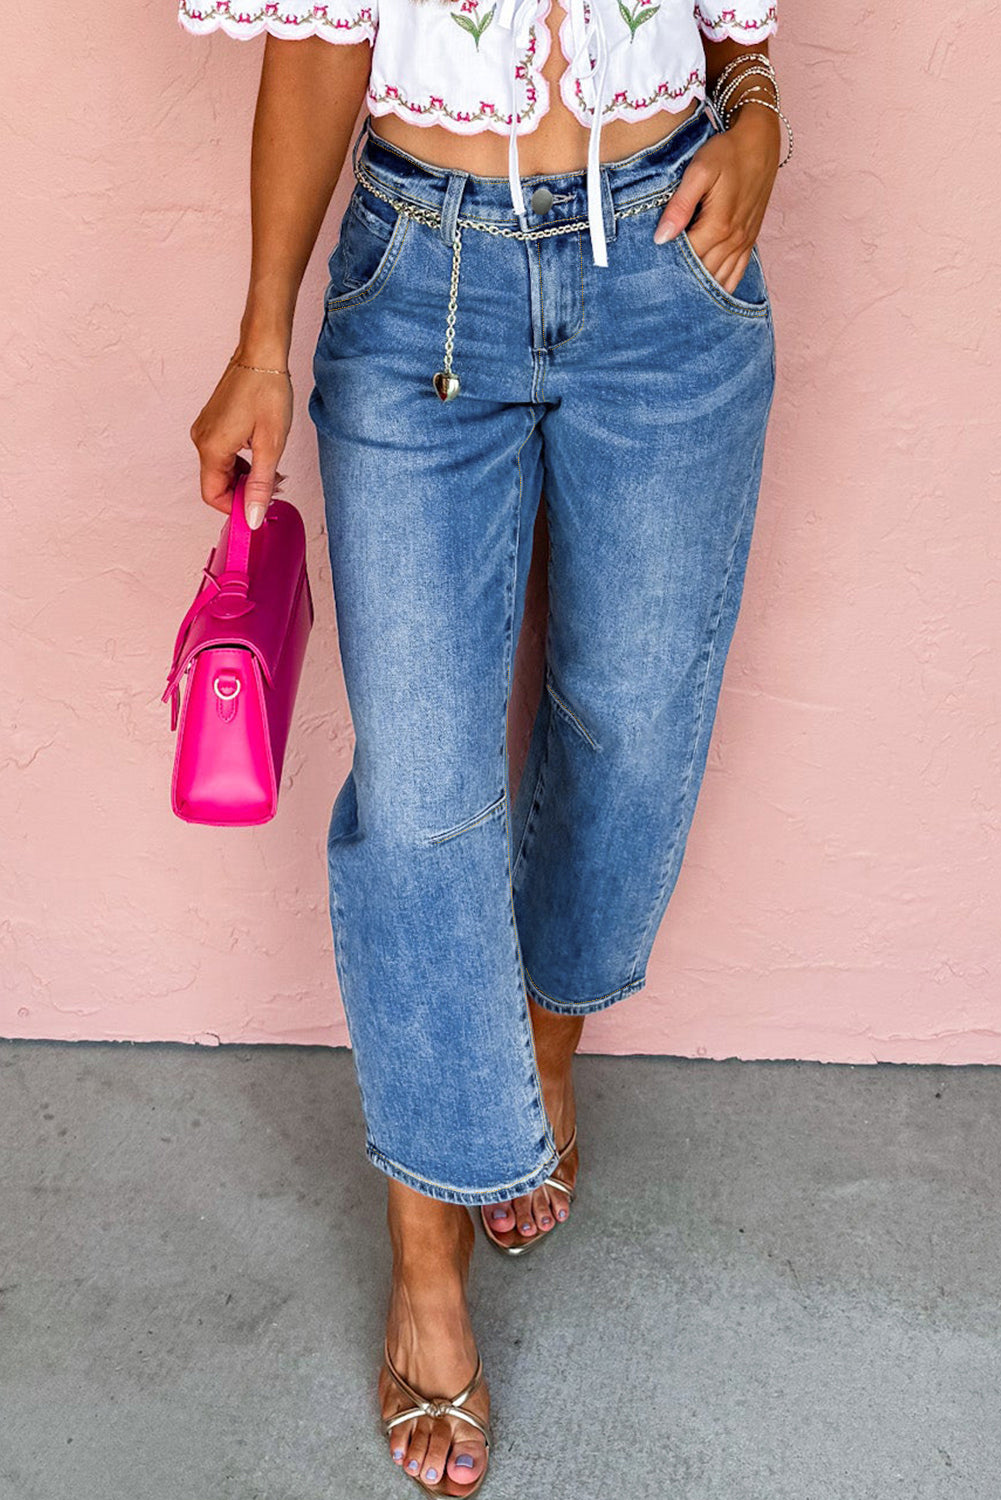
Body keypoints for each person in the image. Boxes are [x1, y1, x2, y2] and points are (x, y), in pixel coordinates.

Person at [182, 0, 791, 1491]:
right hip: (421, 279)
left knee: (635, 724)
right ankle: (429, 1256)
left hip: (670, 263)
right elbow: (320, 38)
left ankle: (543, 1044)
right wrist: (263, 337)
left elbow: (726, 27)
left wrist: (762, 109)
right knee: (421, 793)